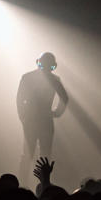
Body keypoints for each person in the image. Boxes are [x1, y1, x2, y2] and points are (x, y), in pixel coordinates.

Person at [16, 52, 68, 183]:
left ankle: (22, 184)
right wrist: (56, 112)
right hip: (45, 119)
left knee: (28, 153)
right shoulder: (54, 80)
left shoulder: (27, 77)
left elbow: (19, 99)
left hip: (31, 120)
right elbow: (64, 98)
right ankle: (44, 183)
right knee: (45, 154)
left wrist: (23, 116)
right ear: (53, 65)